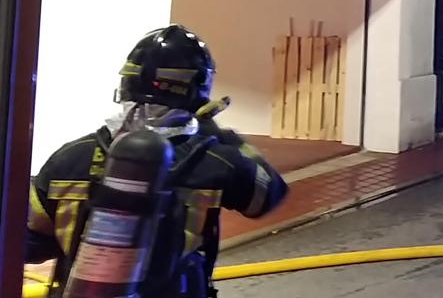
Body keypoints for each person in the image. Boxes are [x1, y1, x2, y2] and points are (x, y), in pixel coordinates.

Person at [26, 26, 288, 297]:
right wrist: (223, 136)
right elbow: (268, 195)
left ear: (126, 85)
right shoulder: (216, 161)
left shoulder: (70, 157)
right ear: (196, 90)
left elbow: (29, 243)